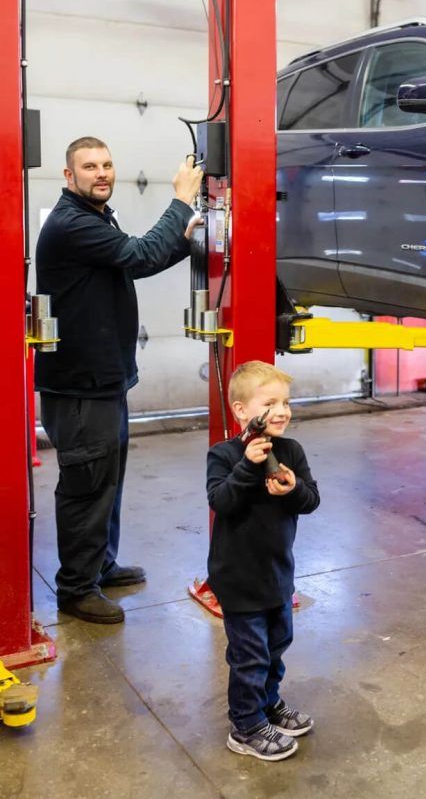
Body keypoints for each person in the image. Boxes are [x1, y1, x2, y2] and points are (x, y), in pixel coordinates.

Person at [36, 136, 203, 625]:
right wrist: (180, 201)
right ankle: (76, 588)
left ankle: (100, 565)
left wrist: (189, 235)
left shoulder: (93, 219)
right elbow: (138, 256)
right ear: (69, 176)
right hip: (80, 387)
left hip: (103, 380)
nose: (101, 173)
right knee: (87, 484)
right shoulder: (70, 224)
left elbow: (137, 258)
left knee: (106, 479)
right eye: (89, 166)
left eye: (107, 164)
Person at [206, 361, 320, 762]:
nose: (282, 411)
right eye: (269, 403)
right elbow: (220, 500)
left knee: (276, 647)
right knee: (250, 655)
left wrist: (292, 488)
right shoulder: (223, 455)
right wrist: (247, 465)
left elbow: (311, 502)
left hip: (277, 574)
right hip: (237, 578)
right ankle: (246, 725)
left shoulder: (291, 451)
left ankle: (268, 705)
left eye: (286, 402)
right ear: (241, 410)